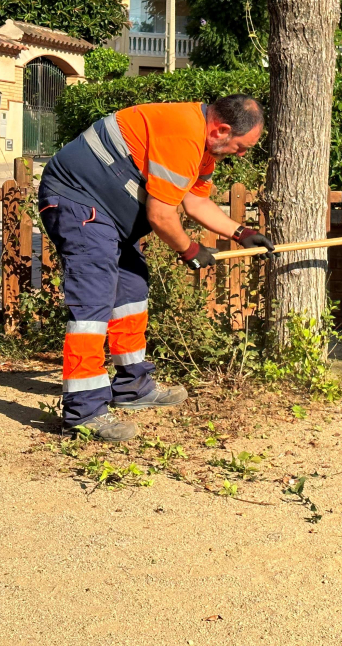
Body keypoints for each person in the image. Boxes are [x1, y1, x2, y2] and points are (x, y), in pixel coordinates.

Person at [38, 95, 274, 441]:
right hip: (78, 201)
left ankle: (132, 386)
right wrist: (189, 249)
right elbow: (161, 215)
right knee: (93, 303)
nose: (240, 155)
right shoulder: (184, 134)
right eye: (241, 147)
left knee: (131, 290)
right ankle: (84, 411)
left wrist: (240, 233)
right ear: (222, 130)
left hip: (108, 214)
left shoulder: (205, 147)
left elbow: (195, 200)